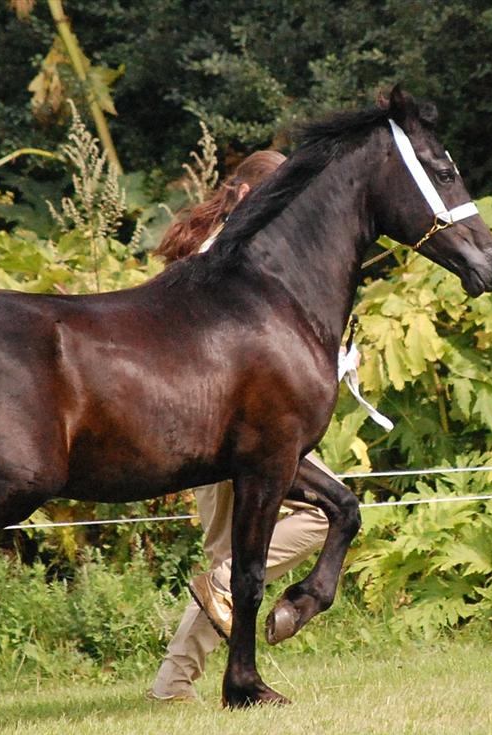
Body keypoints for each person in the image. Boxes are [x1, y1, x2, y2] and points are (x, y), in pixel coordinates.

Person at [148, 149, 340, 702]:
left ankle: (172, 683)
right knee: (321, 516)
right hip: (224, 427)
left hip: (220, 421)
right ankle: (213, 615)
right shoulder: (227, 256)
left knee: (226, 566)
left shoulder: (238, 250)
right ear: (251, 197)